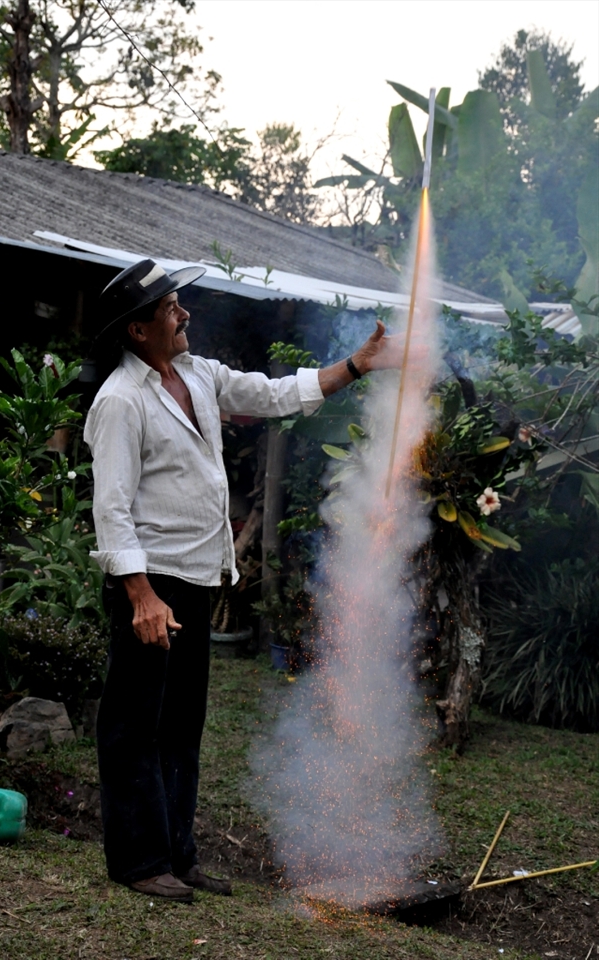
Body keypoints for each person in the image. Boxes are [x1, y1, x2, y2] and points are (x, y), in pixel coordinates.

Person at [84, 258, 414, 902]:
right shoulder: (120, 402)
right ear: (138, 331)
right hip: (150, 587)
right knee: (132, 726)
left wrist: (356, 365)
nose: (184, 315)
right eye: (172, 308)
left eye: (180, 304)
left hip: (195, 581)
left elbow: (272, 394)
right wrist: (140, 595)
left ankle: (178, 856)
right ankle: (139, 861)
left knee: (180, 725)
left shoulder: (197, 375)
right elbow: (111, 510)